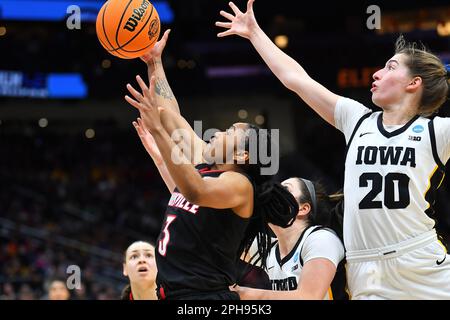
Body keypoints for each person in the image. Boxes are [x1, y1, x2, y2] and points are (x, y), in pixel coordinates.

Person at [216, 0, 450, 299]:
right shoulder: (357, 119)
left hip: (421, 259)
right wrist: (254, 33)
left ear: (414, 83)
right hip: (366, 268)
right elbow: (296, 80)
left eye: (390, 67)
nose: (377, 74)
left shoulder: (437, 131)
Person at [124, 34, 299, 300]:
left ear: (242, 155)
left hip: (203, 298)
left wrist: (159, 133)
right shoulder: (206, 165)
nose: (218, 131)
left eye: (230, 131)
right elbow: (171, 115)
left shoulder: (240, 186)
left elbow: (195, 190)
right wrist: (154, 63)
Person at [234, 177, 347, 300]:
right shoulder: (268, 248)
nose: (276, 193)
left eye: (285, 189)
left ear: (303, 209)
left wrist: (240, 293)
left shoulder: (321, 238)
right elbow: (221, 239)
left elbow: (309, 297)